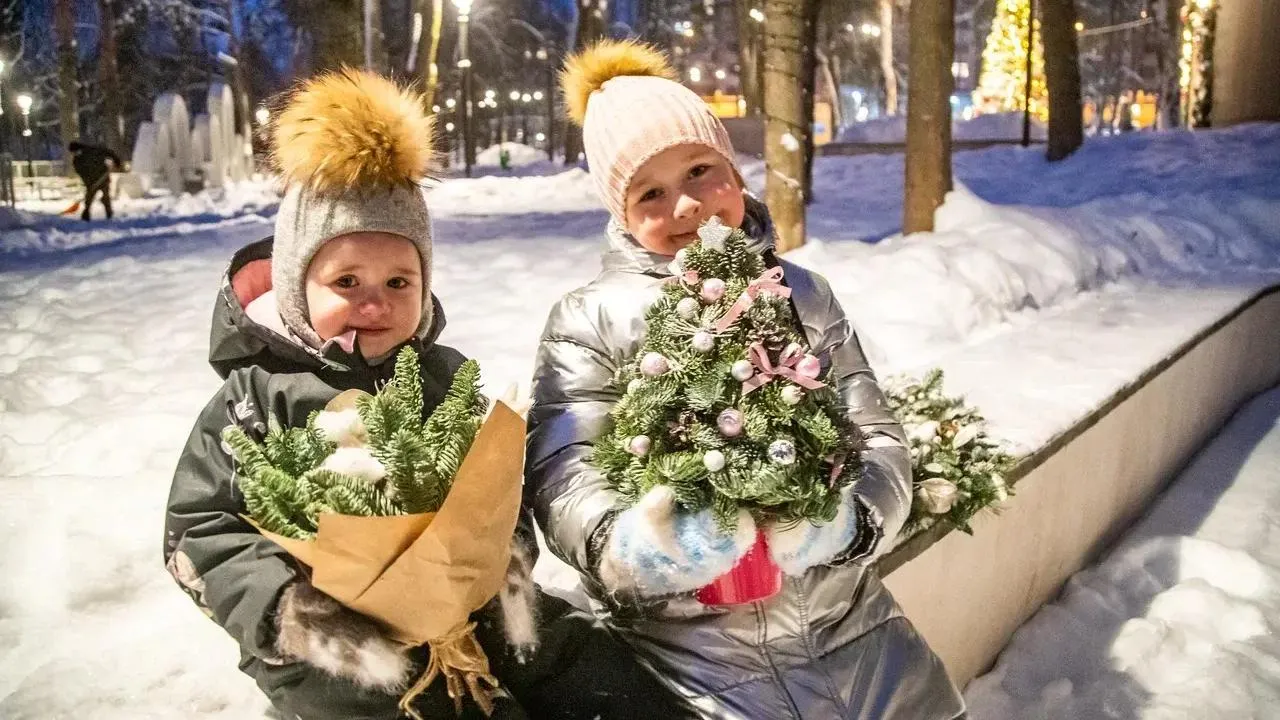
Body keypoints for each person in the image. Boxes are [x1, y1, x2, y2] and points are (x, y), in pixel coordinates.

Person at [164, 67, 690, 720]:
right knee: (404, 701)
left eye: (398, 282)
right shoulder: (256, 398)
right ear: (300, 287)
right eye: (347, 281)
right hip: (337, 637)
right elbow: (199, 528)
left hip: (465, 605)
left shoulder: (444, 378)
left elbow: (496, 493)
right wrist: (285, 607)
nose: (374, 304)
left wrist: (504, 559)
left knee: (576, 659)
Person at [525, 40, 967, 719]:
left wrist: (846, 523)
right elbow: (565, 474)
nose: (686, 208)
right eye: (651, 193)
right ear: (620, 213)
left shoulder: (802, 295)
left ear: (735, 170)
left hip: (863, 639)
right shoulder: (591, 319)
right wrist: (644, 548)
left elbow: (877, 434)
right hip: (699, 667)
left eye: (702, 170)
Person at [68, 140, 123, 221]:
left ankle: (108, 213)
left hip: (103, 177)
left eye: (74, 152)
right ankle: (87, 214)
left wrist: (116, 160)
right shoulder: (77, 161)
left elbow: (108, 152)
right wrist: (88, 184)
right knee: (89, 198)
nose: (74, 154)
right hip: (92, 181)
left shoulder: (94, 151)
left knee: (104, 196)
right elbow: (82, 174)